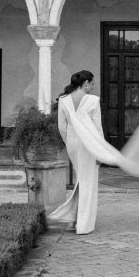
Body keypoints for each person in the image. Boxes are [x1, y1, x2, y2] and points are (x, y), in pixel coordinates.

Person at [47, 70, 103, 235]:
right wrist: (101, 150)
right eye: (92, 84)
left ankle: (72, 218)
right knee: (88, 182)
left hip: (72, 142)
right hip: (89, 144)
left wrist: (69, 142)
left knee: (81, 180)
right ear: (86, 83)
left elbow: (62, 127)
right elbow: (97, 128)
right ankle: (82, 223)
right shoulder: (93, 100)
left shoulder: (64, 100)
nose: (93, 87)